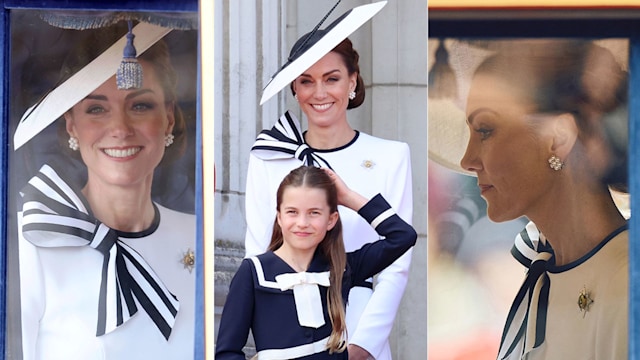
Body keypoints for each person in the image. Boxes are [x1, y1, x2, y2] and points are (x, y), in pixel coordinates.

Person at [16, 23, 196, 360]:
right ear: (71, 123)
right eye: (96, 109)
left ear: (169, 117)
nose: (120, 129)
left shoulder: (196, 235)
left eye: (139, 106)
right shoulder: (31, 241)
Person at [245, 4, 413, 359]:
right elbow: (257, 255)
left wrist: (361, 347)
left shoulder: (391, 156)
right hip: (288, 331)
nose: (319, 93)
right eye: (306, 80)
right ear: (295, 88)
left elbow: (396, 266)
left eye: (331, 78)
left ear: (352, 81)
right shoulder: (268, 157)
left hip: (359, 324)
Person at [457, 40, 629, 359]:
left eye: (485, 129)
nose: (467, 160)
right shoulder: (541, 275)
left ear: (558, 137)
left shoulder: (627, 287)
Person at [217, 166, 416, 359]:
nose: (302, 222)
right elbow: (227, 352)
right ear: (279, 216)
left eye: (314, 213)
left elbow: (403, 236)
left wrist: (348, 197)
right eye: (292, 212)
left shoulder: (342, 267)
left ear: (331, 220)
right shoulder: (253, 272)